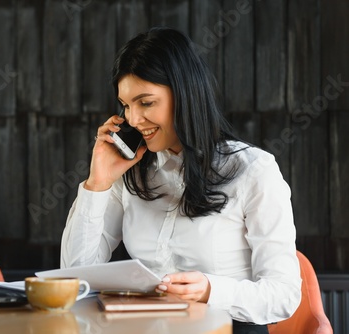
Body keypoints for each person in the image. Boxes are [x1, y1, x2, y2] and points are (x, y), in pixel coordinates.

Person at [60, 27, 301, 333]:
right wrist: (97, 183)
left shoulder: (255, 171)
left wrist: (211, 290)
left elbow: (284, 296)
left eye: (146, 103)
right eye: (126, 105)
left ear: (185, 94)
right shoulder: (129, 173)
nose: (133, 119)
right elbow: (73, 277)